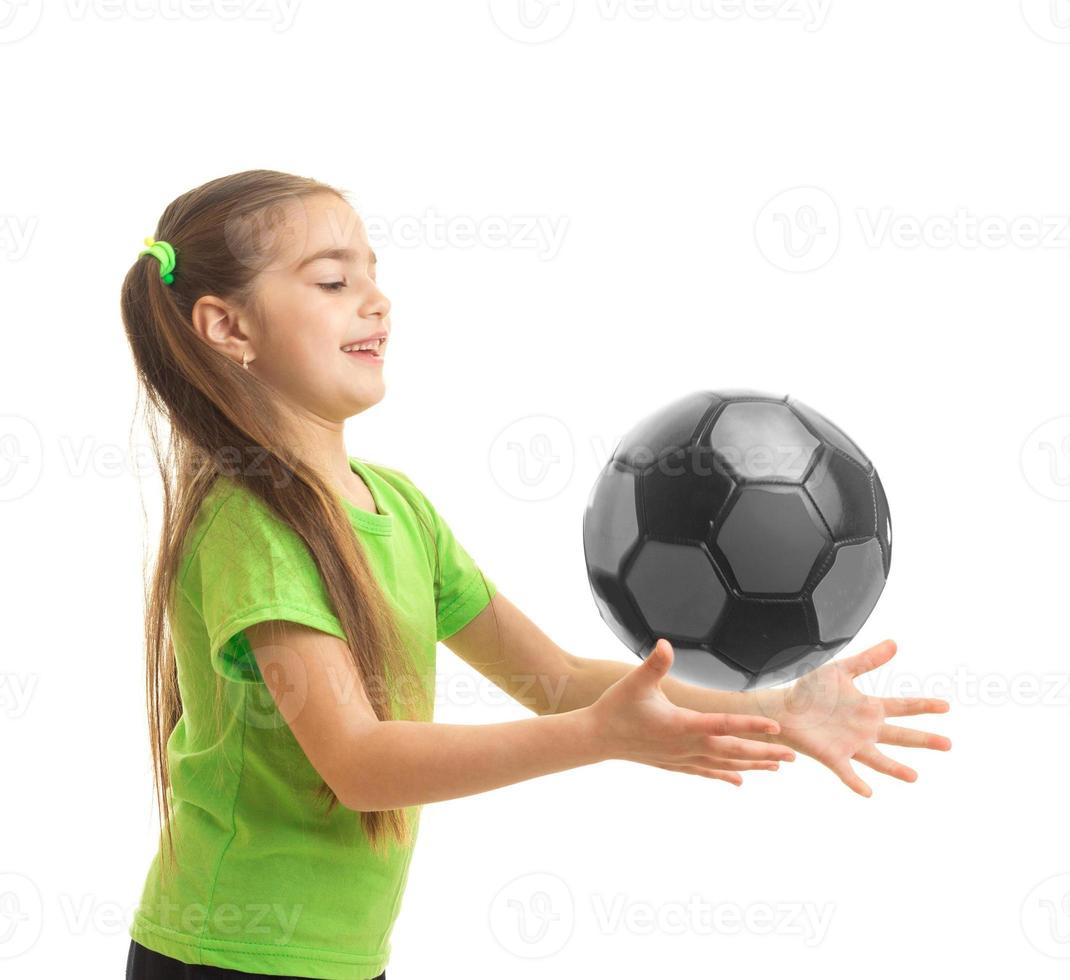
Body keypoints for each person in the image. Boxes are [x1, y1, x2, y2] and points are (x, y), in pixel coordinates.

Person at [118, 170, 952, 980]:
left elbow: (550, 678)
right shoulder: (251, 525)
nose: (377, 300)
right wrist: (598, 741)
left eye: (374, 273)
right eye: (333, 280)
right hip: (225, 955)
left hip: (336, 957)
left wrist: (772, 709)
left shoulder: (396, 506)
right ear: (228, 329)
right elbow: (359, 764)